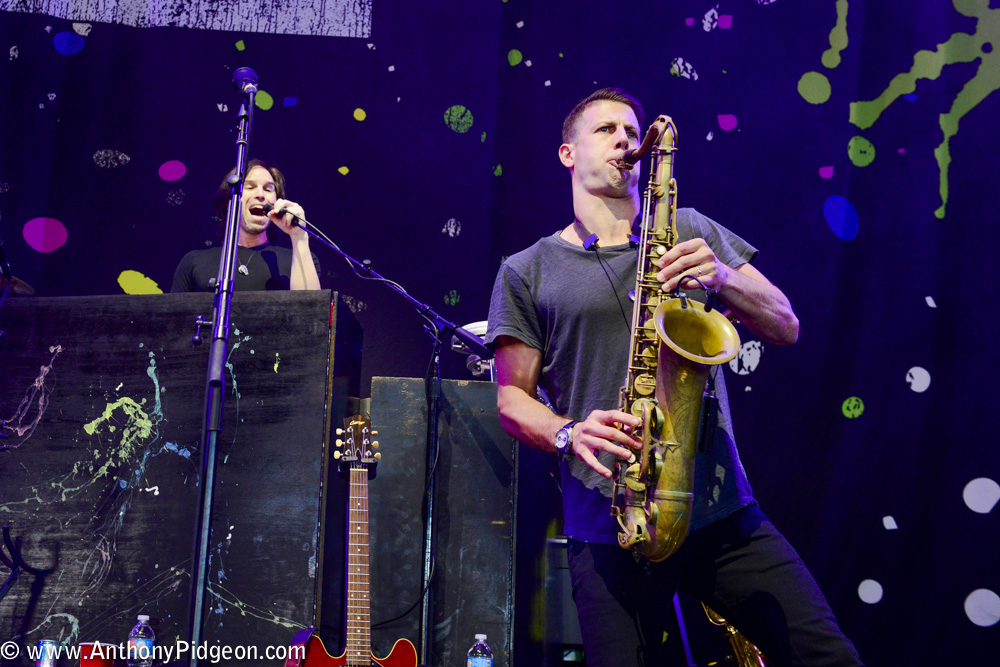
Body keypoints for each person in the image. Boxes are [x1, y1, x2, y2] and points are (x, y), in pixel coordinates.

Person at [486, 88, 863, 666]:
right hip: (612, 522)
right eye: (606, 130)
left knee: (830, 657)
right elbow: (512, 397)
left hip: (717, 510)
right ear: (568, 153)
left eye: (632, 132)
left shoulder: (687, 229)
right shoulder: (526, 269)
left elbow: (786, 324)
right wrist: (570, 432)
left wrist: (722, 277)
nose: (624, 141)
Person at [170, 159, 321, 292]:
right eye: (249, 187)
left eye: (268, 189)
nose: (260, 194)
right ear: (229, 201)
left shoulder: (298, 259)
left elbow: (311, 310)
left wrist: (299, 237)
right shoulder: (194, 262)